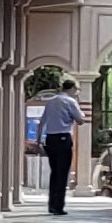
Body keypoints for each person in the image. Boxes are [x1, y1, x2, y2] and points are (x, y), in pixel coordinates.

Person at [40, 77, 86, 215]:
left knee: (54, 172)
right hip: (63, 138)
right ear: (71, 88)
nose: (76, 93)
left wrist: (38, 141)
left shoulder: (51, 101)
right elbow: (80, 120)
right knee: (62, 172)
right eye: (76, 90)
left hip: (50, 138)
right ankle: (58, 206)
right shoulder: (70, 101)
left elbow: (43, 121)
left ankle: (51, 204)